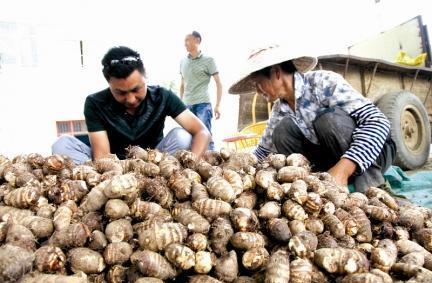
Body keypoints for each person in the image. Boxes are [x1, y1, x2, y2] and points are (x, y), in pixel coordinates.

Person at [229, 45, 396, 192]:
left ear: (276, 73)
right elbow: (263, 151)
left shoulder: (323, 82)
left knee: (327, 120)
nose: (258, 91)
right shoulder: (279, 110)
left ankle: (373, 188)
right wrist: (236, 168)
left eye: (258, 84)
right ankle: (315, 188)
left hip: (374, 155)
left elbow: (378, 122)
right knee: (282, 130)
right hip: (332, 158)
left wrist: (344, 169)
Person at [52, 46, 210, 164]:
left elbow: (202, 131)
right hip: (114, 167)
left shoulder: (163, 96)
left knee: (182, 136)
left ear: (145, 76)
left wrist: (192, 165)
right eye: (120, 93)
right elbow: (102, 158)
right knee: (62, 144)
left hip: (155, 163)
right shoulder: (95, 103)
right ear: (109, 84)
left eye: (136, 89)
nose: (131, 99)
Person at [180, 31, 222, 150]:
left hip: (203, 104)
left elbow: (219, 83)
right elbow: (182, 84)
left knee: (205, 137)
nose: (185, 43)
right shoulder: (182, 62)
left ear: (197, 40)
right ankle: (192, 166)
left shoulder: (209, 60)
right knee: (187, 139)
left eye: (188, 40)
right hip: (186, 106)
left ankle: (213, 166)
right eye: (184, 41)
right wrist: (180, 104)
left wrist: (218, 105)